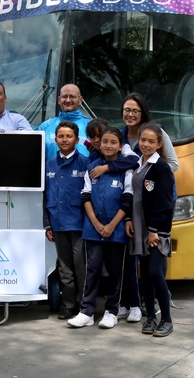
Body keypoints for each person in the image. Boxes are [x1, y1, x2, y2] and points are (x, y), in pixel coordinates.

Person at [67, 127, 133, 330]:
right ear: (99, 144)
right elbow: (85, 196)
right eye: (105, 142)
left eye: (113, 142)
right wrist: (96, 223)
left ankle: (112, 311)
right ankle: (86, 312)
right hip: (93, 229)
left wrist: (112, 225)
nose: (108, 145)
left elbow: (127, 199)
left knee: (115, 271)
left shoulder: (126, 170)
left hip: (116, 230)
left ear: (120, 146)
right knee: (92, 269)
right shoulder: (92, 167)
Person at [125, 123, 176, 337]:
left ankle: (166, 320)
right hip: (139, 227)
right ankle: (150, 318)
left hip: (155, 230)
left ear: (159, 144)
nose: (145, 144)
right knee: (145, 275)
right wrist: (129, 219)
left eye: (151, 141)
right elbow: (133, 195)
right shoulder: (138, 163)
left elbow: (164, 202)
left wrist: (153, 230)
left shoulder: (161, 168)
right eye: (143, 140)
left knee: (155, 272)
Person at [42, 121, 89, 320]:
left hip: (80, 224)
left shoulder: (85, 163)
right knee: (64, 267)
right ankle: (68, 305)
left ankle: (84, 305)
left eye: (69, 136)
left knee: (81, 266)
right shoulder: (49, 165)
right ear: (55, 139)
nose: (64, 140)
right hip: (57, 222)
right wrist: (47, 223)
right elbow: (45, 196)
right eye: (60, 136)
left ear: (77, 139)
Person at [120, 93, 179, 172]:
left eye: (135, 111)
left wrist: (147, 173)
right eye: (127, 110)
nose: (130, 114)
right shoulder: (118, 137)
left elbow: (173, 164)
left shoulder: (157, 131)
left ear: (143, 113)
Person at [37, 84, 91, 160]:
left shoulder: (91, 126)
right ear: (59, 100)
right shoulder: (45, 126)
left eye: (72, 96)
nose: (68, 100)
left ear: (80, 100)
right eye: (64, 96)